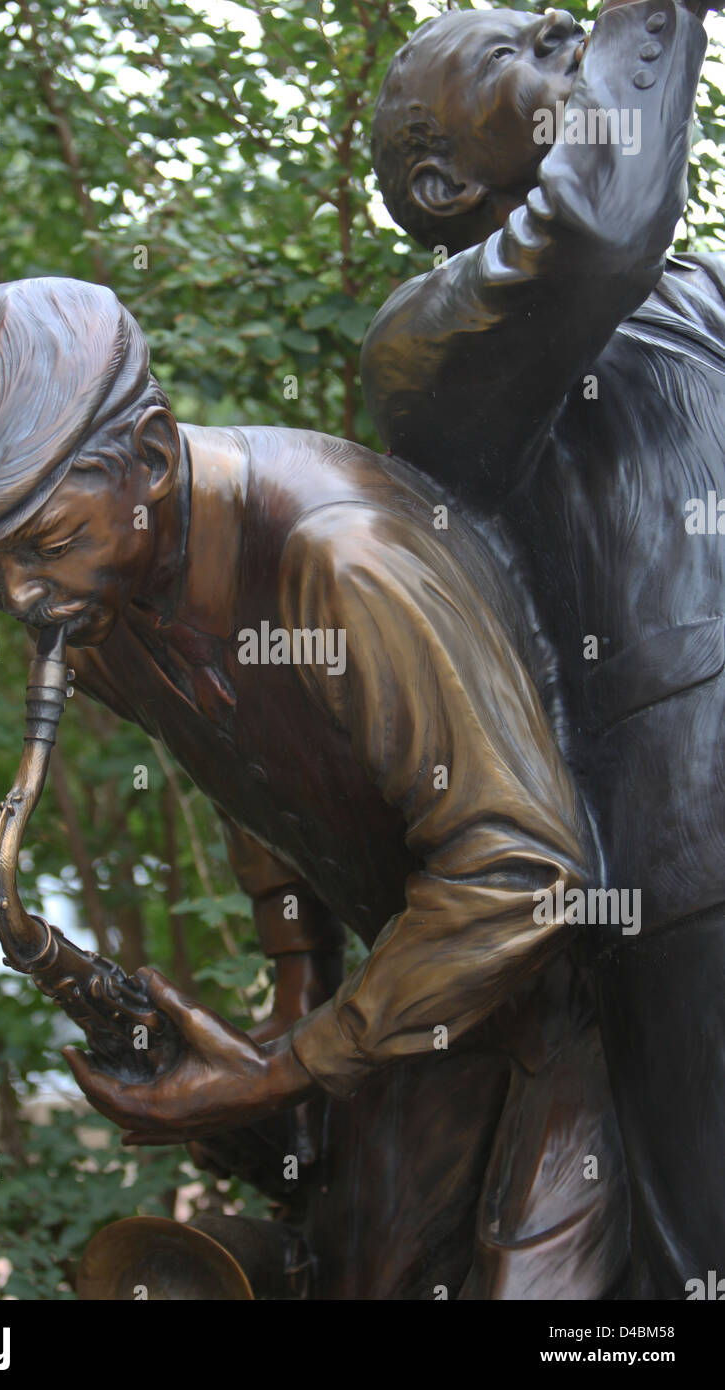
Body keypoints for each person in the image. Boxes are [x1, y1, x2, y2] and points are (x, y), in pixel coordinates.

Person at [0, 275, 627, 1299]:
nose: (20, 598)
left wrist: (279, 1069)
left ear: (147, 456)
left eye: (48, 544)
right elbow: (251, 782)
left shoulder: (345, 559)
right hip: (431, 990)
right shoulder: (100, 615)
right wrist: (292, 981)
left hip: (595, 995)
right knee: (364, 1274)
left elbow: (527, 869)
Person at [362, 0, 721, 1296]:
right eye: (529, 47)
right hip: (691, 843)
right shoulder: (424, 345)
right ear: (441, 177)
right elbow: (596, 224)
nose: (573, 33)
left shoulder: (702, 290)